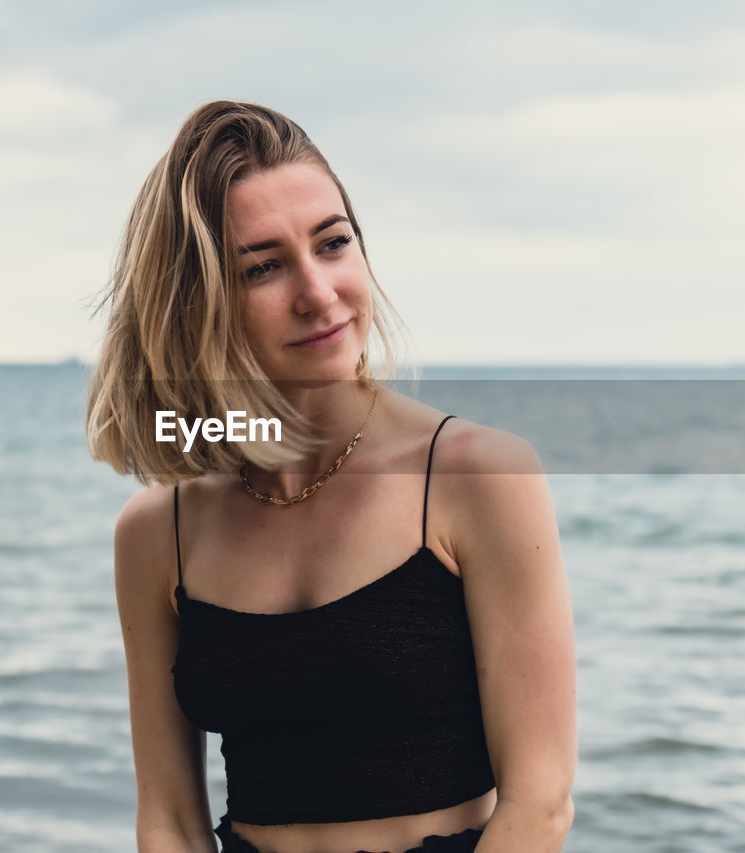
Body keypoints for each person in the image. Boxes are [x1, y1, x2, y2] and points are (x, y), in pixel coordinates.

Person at [87, 100, 576, 853]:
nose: (318, 292)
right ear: (199, 303)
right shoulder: (160, 532)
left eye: (332, 243)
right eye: (264, 267)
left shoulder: (478, 477)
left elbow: (539, 805)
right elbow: (171, 821)